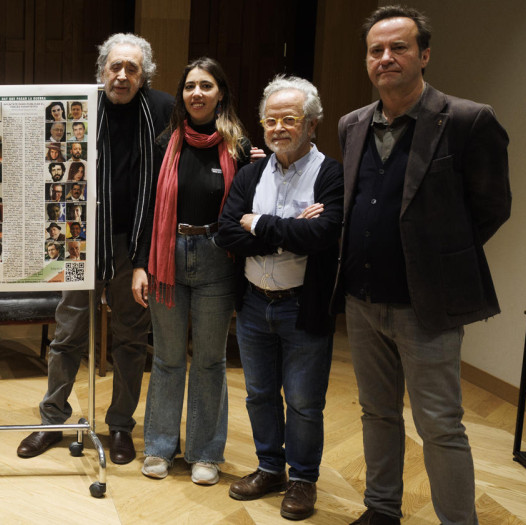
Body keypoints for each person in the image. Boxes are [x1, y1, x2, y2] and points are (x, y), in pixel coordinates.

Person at [334, 7, 509, 525]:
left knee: (440, 424)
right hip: (363, 301)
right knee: (377, 412)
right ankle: (382, 509)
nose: (385, 58)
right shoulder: (352, 125)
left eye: (399, 47)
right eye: (375, 50)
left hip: (427, 306)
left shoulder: (466, 120)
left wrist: (435, 258)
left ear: (424, 54)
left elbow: (492, 207)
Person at [18, 32, 174, 466]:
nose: (122, 76)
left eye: (132, 69)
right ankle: (52, 419)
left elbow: (199, 145)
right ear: (102, 70)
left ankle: (121, 425)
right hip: (79, 240)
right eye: (115, 67)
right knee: (68, 334)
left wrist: (244, 153)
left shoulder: (162, 110)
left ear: (144, 77)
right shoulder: (78, 105)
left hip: (133, 244)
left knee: (129, 338)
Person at [215, 75, 344, 521]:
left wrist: (261, 224)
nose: (278, 128)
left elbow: (324, 235)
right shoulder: (251, 173)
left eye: (290, 119)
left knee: (305, 400)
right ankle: (270, 467)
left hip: (301, 305)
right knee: (260, 394)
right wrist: (291, 232)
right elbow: (226, 231)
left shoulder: (331, 174)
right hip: (253, 304)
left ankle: (303, 478)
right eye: (271, 120)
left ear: (312, 125)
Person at [138, 57, 253, 486]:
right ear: (182, 94)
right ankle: (159, 447)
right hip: (166, 256)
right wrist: (140, 265)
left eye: (206, 86)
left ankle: (205, 452)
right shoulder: (165, 142)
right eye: (190, 86)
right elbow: (147, 210)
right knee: (167, 359)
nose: (197, 94)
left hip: (216, 258)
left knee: (209, 360)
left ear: (220, 92)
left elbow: (250, 205)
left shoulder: (240, 147)